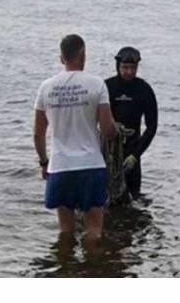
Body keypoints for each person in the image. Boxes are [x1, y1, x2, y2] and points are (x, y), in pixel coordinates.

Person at [33, 34, 117, 241]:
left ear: (62, 58)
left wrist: (44, 161)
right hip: (91, 165)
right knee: (94, 230)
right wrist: (115, 128)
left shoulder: (46, 87)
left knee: (65, 231)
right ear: (83, 55)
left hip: (60, 166)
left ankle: (65, 268)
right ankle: (91, 268)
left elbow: (38, 133)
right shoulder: (97, 85)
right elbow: (108, 130)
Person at [105, 46, 158, 198]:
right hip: (108, 151)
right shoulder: (107, 87)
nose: (129, 72)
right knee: (106, 199)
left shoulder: (144, 90)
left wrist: (136, 155)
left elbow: (152, 127)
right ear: (118, 66)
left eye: (132, 68)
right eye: (125, 67)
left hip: (132, 153)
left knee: (134, 199)